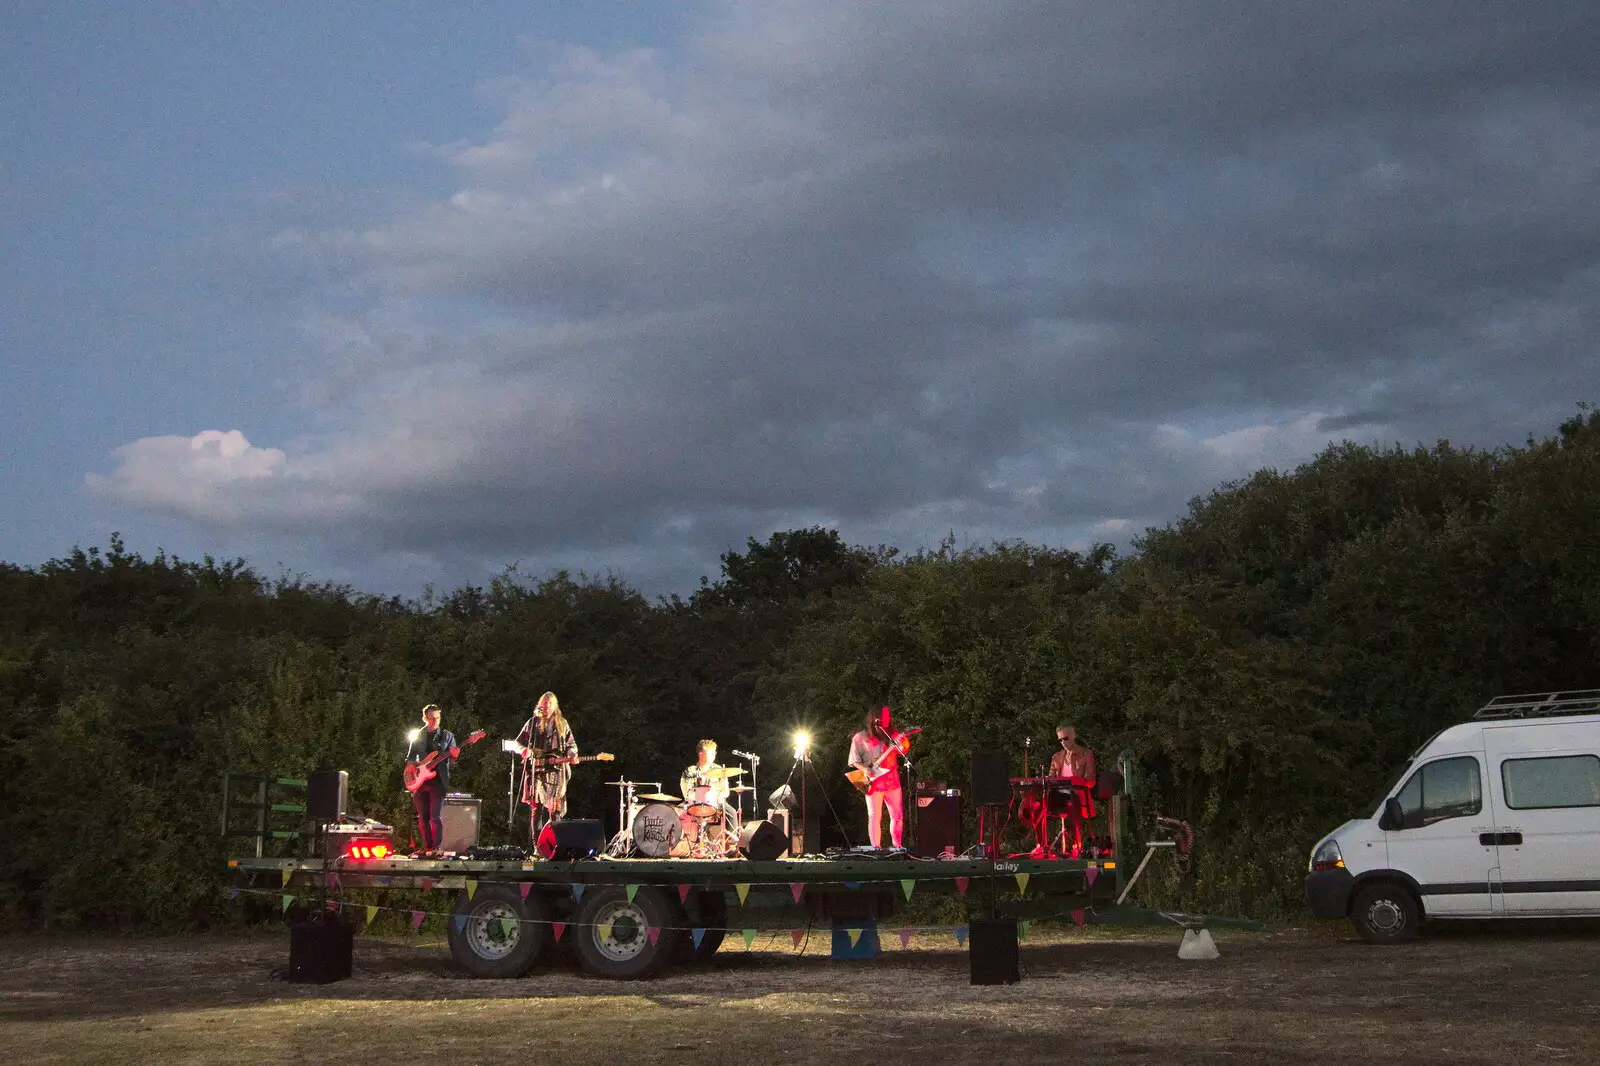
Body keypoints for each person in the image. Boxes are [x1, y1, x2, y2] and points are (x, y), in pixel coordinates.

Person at [516, 691, 578, 842]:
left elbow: (571, 744)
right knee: (536, 809)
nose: (547, 707)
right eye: (544, 704)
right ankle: (537, 845)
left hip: (556, 772)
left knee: (555, 809)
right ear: (539, 705)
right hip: (537, 771)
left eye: (550, 704)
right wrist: (525, 750)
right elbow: (517, 743)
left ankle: (555, 844)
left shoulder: (562, 724)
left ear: (555, 706)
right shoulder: (532, 723)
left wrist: (572, 754)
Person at [848, 706, 907, 849]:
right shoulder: (860, 737)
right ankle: (876, 847)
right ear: (876, 717)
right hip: (873, 783)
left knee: (897, 816)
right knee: (874, 816)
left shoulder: (892, 735)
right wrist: (865, 769)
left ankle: (897, 846)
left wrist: (903, 743)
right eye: (885, 716)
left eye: (888, 716)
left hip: (892, 781)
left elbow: (903, 750)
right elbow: (854, 760)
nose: (888, 718)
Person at [405, 703, 459, 856]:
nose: (435, 721)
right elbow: (410, 757)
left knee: (435, 817)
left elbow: (454, 760)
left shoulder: (447, 736)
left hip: (438, 781)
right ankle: (427, 847)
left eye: (437, 718)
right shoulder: (417, 736)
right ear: (424, 718)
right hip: (420, 781)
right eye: (431, 718)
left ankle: (436, 848)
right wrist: (412, 768)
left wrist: (455, 755)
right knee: (423, 818)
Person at [1049, 725, 1098, 857]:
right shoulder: (1056, 757)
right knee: (1039, 803)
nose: (1063, 742)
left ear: (1073, 736)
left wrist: (1077, 782)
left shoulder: (1086, 754)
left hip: (1078, 794)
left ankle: (1075, 845)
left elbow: (1091, 780)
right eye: (1060, 740)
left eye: (1065, 738)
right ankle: (1043, 845)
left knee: (1072, 800)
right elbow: (1050, 778)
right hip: (1060, 795)